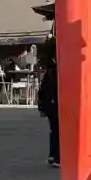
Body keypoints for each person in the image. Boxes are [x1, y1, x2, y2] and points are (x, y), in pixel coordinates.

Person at [36, 39, 59, 167]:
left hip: (50, 104)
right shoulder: (55, 72)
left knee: (54, 130)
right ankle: (57, 157)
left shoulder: (49, 71)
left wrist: (42, 107)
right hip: (55, 103)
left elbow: (42, 91)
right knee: (58, 130)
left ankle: (53, 155)